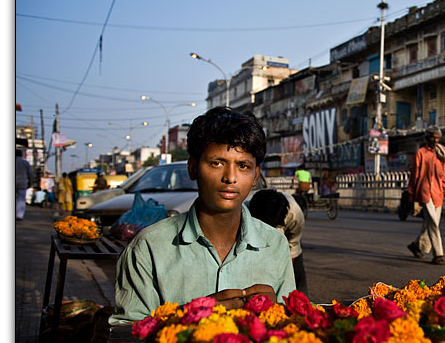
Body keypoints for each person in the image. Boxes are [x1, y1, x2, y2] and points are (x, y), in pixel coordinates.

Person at [113, 106, 296, 323]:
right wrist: (187, 318)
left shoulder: (274, 244)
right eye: (217, 163)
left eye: (243, 166)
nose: (230, 177)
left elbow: (290, 329)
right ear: (193, 168)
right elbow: (125, 337)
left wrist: (278, 316)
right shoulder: (148, 248)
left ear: (256, 175)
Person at [249, 189, 308, 296]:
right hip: (256, 244)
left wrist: (283, 276)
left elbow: (293, 248)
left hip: (290, 245)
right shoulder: (248, 208)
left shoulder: (295, 214)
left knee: (296, 277)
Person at [406, 125, 445, 265]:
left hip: (438, 194)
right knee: (432, 223)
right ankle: (438, 254)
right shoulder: (421, 153)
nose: (435, 140)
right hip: (425, 192)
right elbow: (415, 175)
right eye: (433, 137)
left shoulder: (441, 154)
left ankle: (416, 245)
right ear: (427, 138)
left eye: (437, 138)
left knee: (431, 223)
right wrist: (411, 193)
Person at [15, 149, 35, 221]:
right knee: (21, 199)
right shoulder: (25, 162)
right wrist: (31, 182)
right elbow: (30, 174)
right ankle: (19, 216)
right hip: (22, 183)